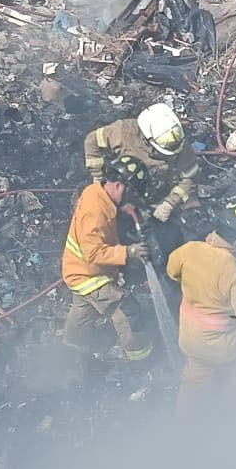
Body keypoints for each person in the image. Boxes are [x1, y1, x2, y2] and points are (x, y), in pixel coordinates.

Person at [166, 201, 236, 409]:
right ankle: (228, 406)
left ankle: (182, 421)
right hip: (221, 345)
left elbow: (172, 272)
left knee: (196, 377)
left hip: (189, 339)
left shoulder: (190, 249)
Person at [61, 154, 153, 365]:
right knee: (128, 313)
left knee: (81, 318)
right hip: (90, 276)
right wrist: (128, 252)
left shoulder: (96, 192)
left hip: (77, 271)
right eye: (131, 194)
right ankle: (141, 361)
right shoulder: (94, 213)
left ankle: (71, 359)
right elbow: (94, 254)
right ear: (120, 186)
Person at [84, 103, 198, 226]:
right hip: (118, 191)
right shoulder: (123, 132)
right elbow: (92, 140)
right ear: (148, 140)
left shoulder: (177, 144)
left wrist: (169, 203)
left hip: (155, 197)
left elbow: (190, 177)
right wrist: (98, 176)